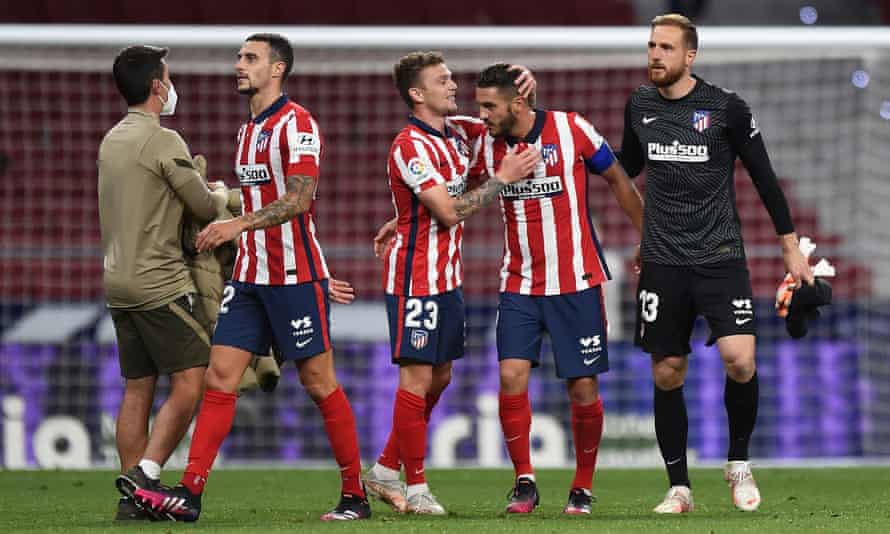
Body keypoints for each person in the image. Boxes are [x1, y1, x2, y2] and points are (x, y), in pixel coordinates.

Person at [133, 33, 368, 522]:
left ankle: (355, 496)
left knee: (320, 383)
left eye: (250, 58)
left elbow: (300, 199)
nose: (238, 65)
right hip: (249, 277)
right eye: (239, 57)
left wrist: (237, 225)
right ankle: (191, 493)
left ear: (277, 69)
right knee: (219, 377)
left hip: (295, 276)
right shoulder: (247, 132)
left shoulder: (297, 123)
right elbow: (259, 199)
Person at [618, 14, 813, 514]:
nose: (655, 55)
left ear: (690, 56)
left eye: (666, 47)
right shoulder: (639, 105)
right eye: (651, 45)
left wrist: (789, 244)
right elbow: (629, 167)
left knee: (741, 361)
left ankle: (738, 461)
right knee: (667, 371)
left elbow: (765, 177)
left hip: (720, 256)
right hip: (662, 260)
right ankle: (679, 486)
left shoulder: (724, 108)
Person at [361, 52, 540, 515]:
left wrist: (527, 88)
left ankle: (383, 469)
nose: (453, 86)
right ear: (417, 94)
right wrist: (502, 179)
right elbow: (445, 210)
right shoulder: (409, 145)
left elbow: (511, 120)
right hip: (415, 277)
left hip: (447, 277)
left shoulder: (459, 135)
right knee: (417, 377)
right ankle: (416, 485)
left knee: (441, 375)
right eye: (442, 81)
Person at [472, 63, 644, 515]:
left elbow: (618, 179)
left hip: (577, 282)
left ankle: (582, 487)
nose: (483, 115)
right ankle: (524, 481)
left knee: (583, 387)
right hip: (520, 283)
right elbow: (454, 196)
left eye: (490, 106)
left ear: (519, 102)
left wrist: (648, 237)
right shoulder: (484, 148)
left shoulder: (572, 129)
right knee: (510, 377)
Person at [99, 45, 229, 521]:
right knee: (193, 381)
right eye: (168, 77)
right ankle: (145, 479)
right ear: (158, 86)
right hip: (159, 283)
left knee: (137, 388)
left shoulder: (110, 139)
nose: (171, 85)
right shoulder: (163, 140)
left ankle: (132, 500)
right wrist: (215, 190)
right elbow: (203, 207)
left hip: (117, 281)